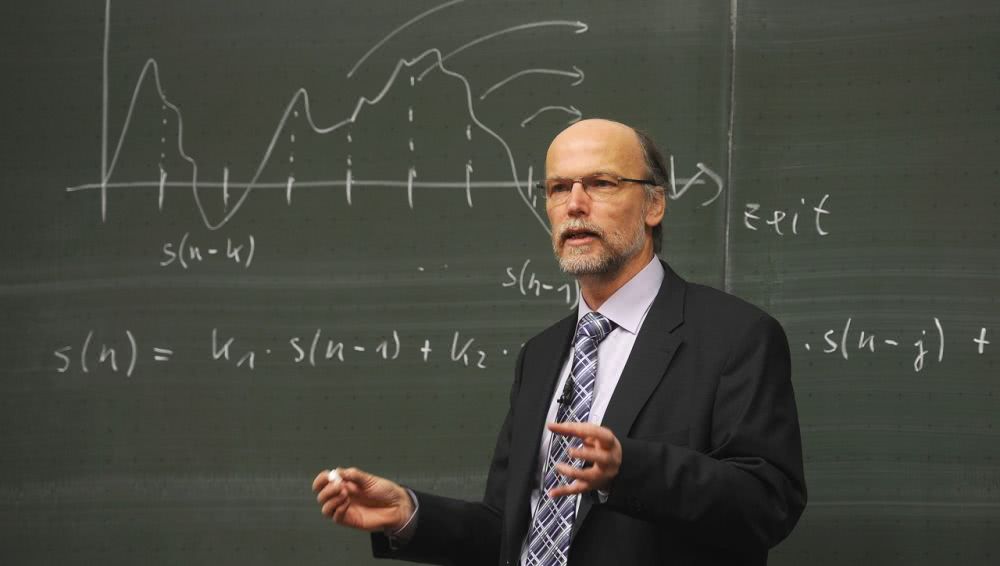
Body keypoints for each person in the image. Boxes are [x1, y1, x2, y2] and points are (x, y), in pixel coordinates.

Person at [312, 119, 807, 565]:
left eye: (601, 183)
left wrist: (628, 469)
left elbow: (768, 503)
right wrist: (410, 515)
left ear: (654, 204)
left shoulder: (734, 336)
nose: (574, 204)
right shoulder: (542, 354)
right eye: (558, 188)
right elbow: (511, 529)